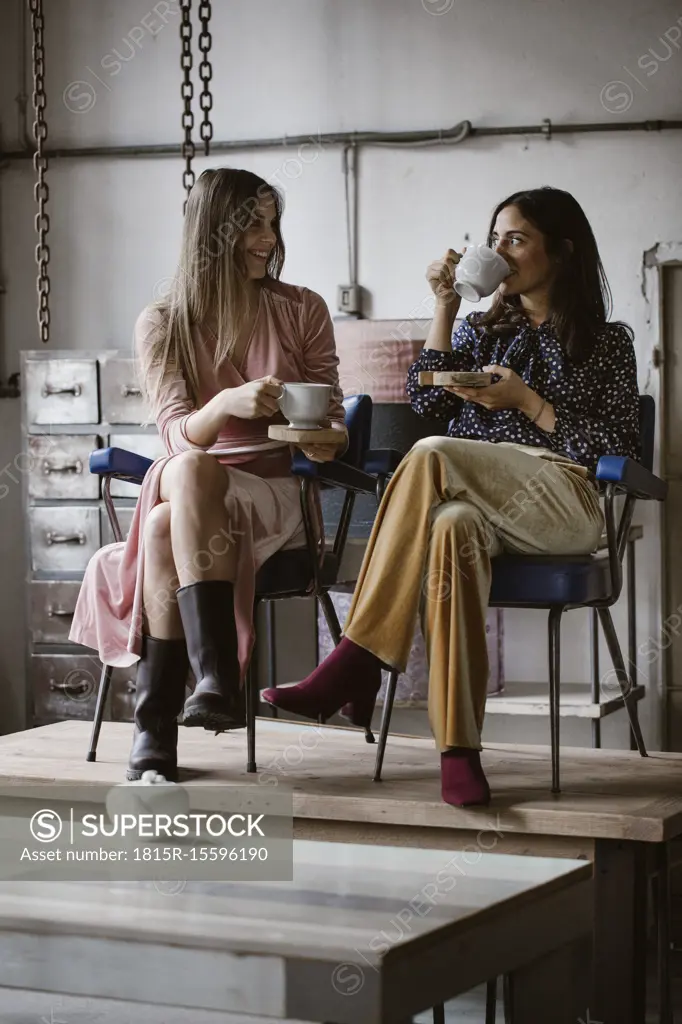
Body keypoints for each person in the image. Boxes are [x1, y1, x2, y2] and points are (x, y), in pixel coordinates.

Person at [263, 186, 640, 808]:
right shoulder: (483, 329)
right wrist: (443, 304)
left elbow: (616, 447)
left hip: (563, 499)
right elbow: (426, 400)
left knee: (433, 452)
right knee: (450, 528)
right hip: (468, 497)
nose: (500, 252)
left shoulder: (608, 341)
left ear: (564, 252)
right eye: (495, 241)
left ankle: (356, 658)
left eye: (515, 240)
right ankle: (459, 751)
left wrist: (529, 404)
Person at [69, 167, 347, 782]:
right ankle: (216, 676)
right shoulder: (163, 321)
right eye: (252, 222)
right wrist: (224, 406)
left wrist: (319, 439)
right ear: (212, 231)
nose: (268, 237)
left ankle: (156, 729)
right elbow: (173, 433)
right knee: (191, 469)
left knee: (167, 525)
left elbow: (333, 421)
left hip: (274, 497)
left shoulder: (301, 309)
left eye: (273, 223)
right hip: (194, 477)